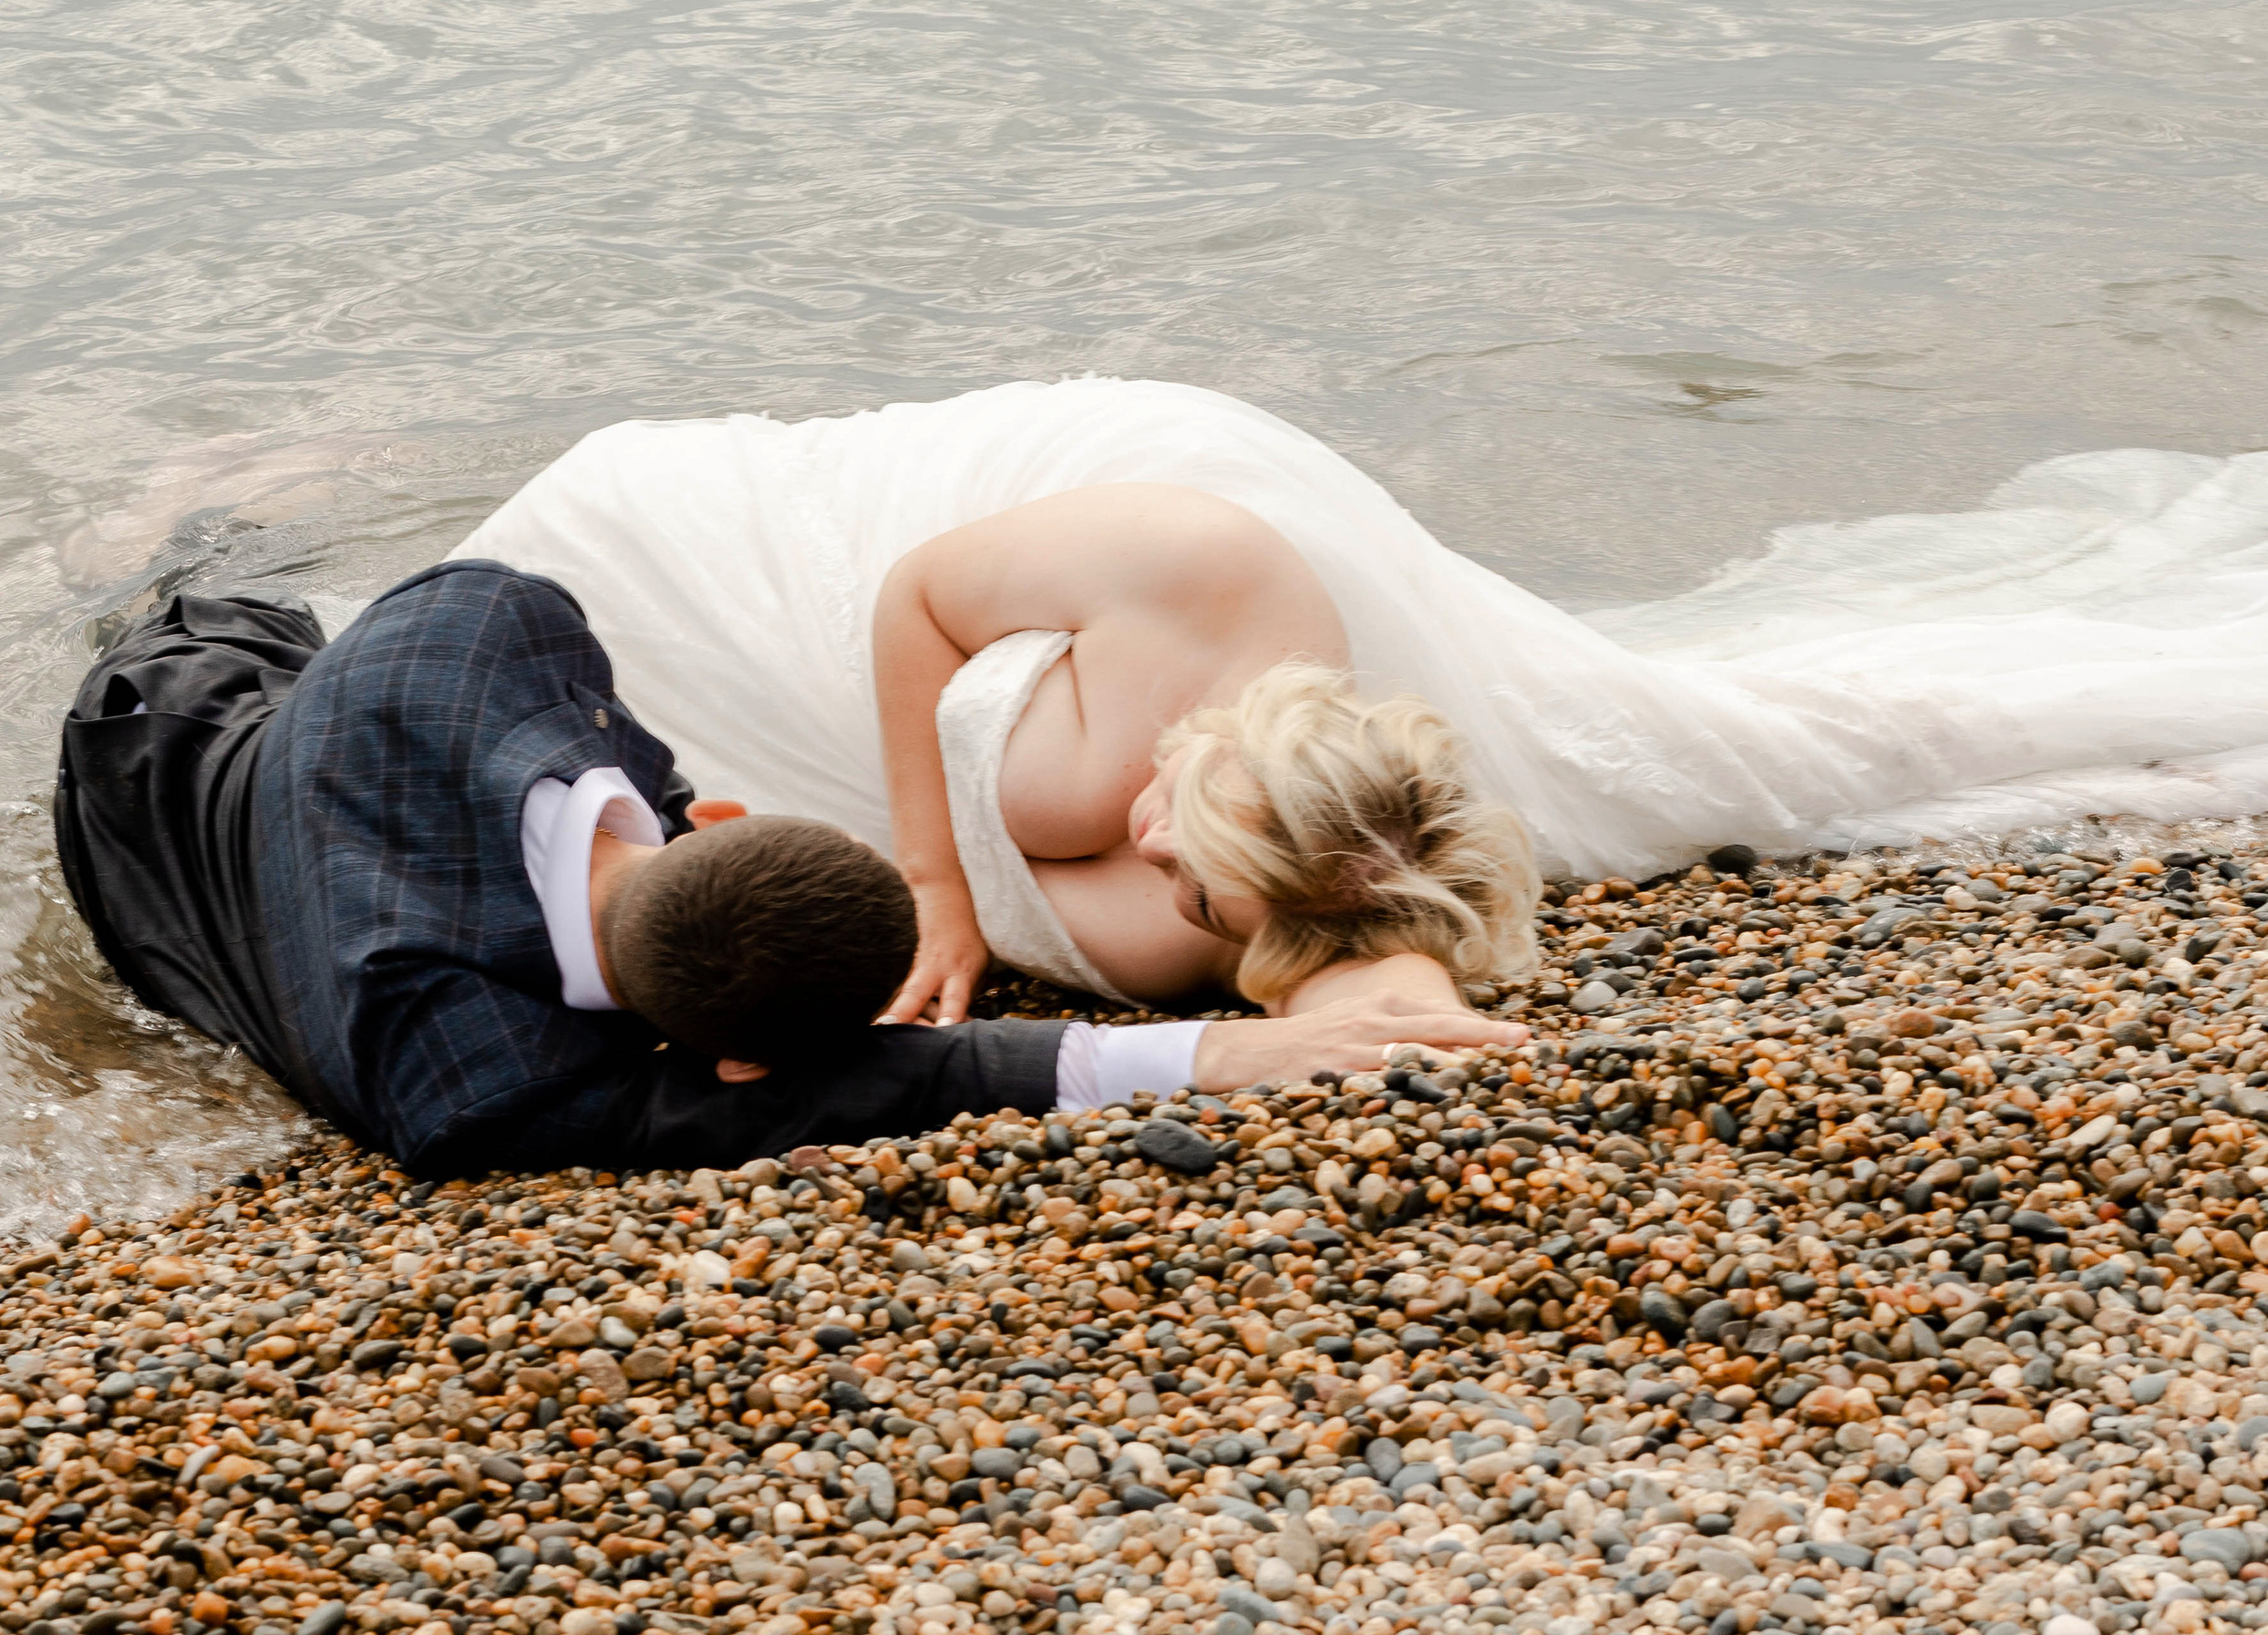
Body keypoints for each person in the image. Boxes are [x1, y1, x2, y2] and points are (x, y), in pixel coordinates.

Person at [459, 376, 2268, 1014]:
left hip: (1172, 662)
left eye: (1194, 888)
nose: (1151, 865)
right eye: (1183, 847)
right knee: (558, 587)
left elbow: (1211, 940)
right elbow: (911, 598)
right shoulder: (1203, 575)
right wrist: (939, 889)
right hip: (932, 541)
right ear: (1208, 766)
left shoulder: (1275, 851)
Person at [51, 558, 1518, 1182]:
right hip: (195, 715)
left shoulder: (480, 629)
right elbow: (846, 1094)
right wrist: (1209, 1057)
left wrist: (1212, 1058)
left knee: (187, 575)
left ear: (730, 818)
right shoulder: (470, 1083)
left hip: (201, 774)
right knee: (187, 590)